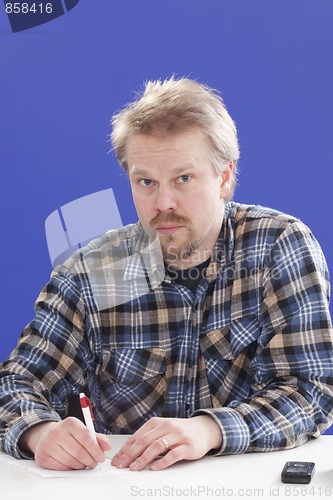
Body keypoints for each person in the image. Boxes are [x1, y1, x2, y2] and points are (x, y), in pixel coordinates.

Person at [1, 77, 333, 472]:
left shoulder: (279, 246)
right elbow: (15, 384)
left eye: (183, 178)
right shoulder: (91, 271)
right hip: (123, 487)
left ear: (224, 178)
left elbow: (310, 390)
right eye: (146, 182)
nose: (164, 204)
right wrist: (38, 433)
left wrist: (207, 430)